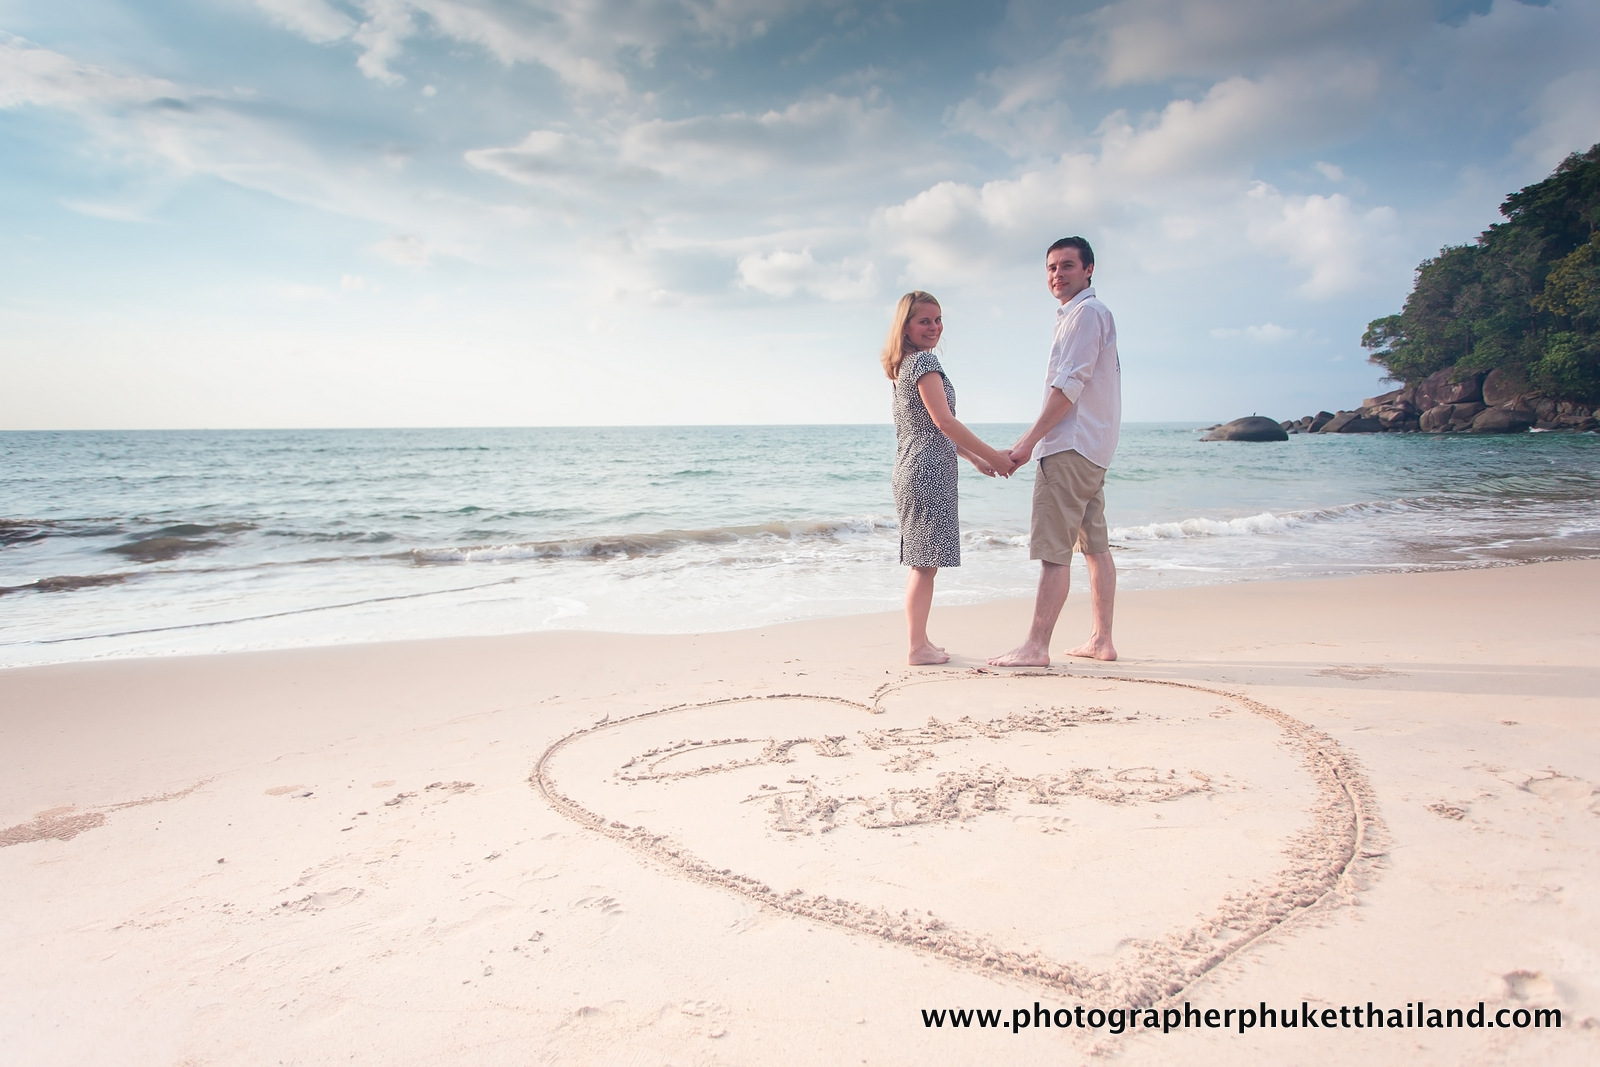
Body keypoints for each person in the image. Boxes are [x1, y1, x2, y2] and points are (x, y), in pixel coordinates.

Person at [990, 237, 1121, 666]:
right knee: (1094, 546)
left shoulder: (1086, 315)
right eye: (1051, 268)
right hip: (1093, 448)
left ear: (1089, 269)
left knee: (1053, 551)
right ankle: (1101, 640)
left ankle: (1036, 646)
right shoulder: (1084, 316)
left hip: (1069, 446)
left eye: (1067, 266)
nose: (1057, 275)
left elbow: (1070, 386)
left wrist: (1027, 443)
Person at [884, 291, 1019, 665]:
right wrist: (994, 455)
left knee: (923, 561)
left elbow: (930, 427)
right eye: (924, 321)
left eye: (938, 320)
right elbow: (944, 422)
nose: (934, 328)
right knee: (924, 564)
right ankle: (916, 648)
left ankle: (921, 640)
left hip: (914, 466)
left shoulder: (903, 366)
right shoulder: (924, 364)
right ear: (906, 326)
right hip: (927, 470)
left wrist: (975, 458)